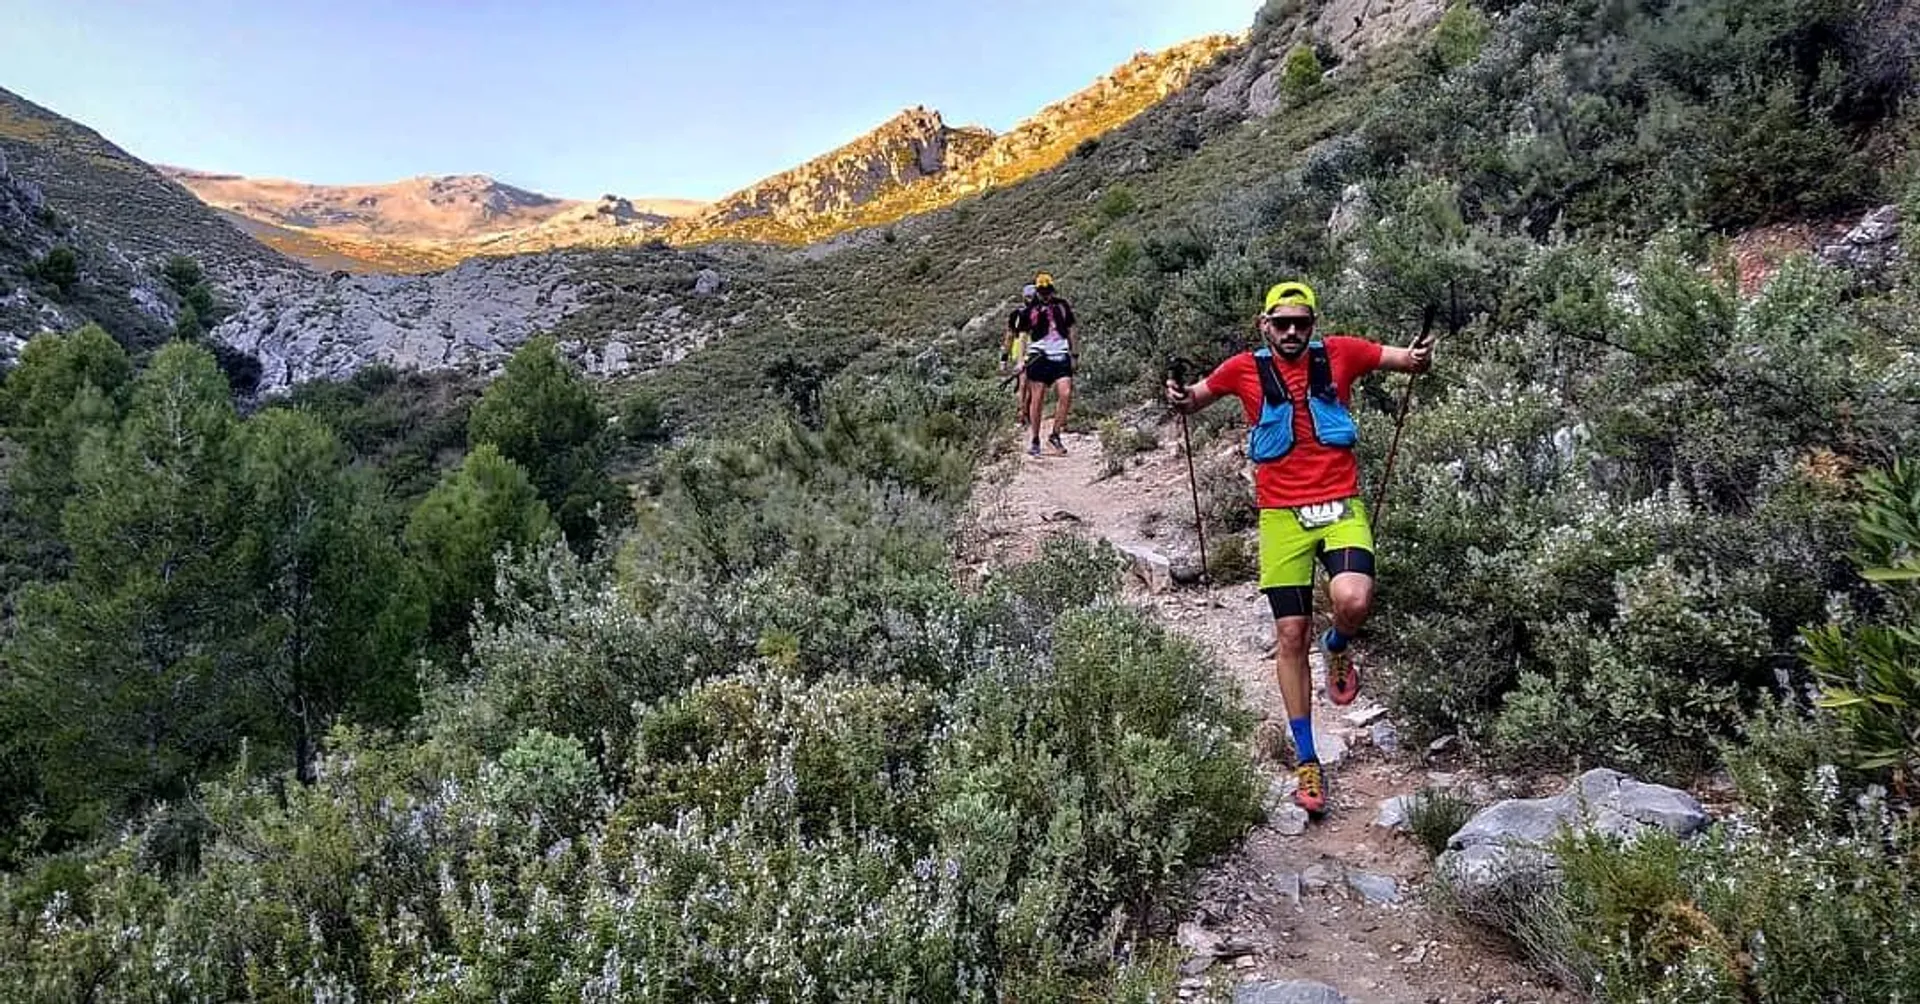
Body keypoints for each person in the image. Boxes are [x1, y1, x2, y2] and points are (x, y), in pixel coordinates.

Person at [1164, 281, 1432, 818]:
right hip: (1281, 515)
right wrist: (1179, 397)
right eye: (1281, 323)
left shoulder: (1343, 353)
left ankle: (1338, 644)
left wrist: (1418, 357)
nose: (1291, 332)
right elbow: (1195, 399)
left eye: (1301, 323)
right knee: (1289, 633)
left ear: (1313, 324)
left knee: (1353, 599)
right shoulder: (1241, 368)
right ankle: (1308, 759)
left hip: (1341, 505)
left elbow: (1403, 359)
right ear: (1265, 325)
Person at [1022, 272, 1077, 456]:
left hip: (1060, 353)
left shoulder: (1062, 305)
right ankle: (1035, 439)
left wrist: (1074, 352)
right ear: (1038, 291)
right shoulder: (1030, 309)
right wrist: (1022, 358)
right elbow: (1023, 334)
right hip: (1039, 355)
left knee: (1066, 393)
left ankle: (1055, 433)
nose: (1046, 294)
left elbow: (1070, 328)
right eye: (1042, 291)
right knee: (1037, 398)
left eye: (1048, 290)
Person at [1003, 284, 1037, 425]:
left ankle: (1026, 411)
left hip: (1036, 348)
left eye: (1033, 296)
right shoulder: (1016, 314)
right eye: (1028, 297)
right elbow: (1010, 335)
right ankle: (1022, 413)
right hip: (1020, 349)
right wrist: (1004, 357)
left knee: (1031, 383)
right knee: (1023, 381)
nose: (1031, 299)